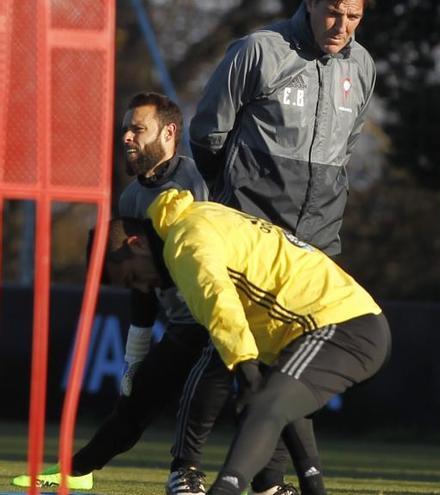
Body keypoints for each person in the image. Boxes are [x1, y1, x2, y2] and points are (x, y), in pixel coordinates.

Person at [11, 93, 316, 495]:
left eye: (137, 128)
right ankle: (77, 470)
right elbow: (140, 285)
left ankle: (236, 480)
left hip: (226, 313)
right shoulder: (132, 197)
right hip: (183, 320)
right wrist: (133, 359)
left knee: (249, 395)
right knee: (138, 402)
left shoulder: (207, 178)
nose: (127, 137)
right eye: (125, 129)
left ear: (170, 132)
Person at [102, 188, 391, 495]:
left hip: (341, 323)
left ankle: (225, 489)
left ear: (138, 243)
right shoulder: (199, 215)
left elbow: (219, 302)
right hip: (343, 321)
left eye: (133, 277)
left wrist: (244, 366)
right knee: (277, 404)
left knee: (265, 403)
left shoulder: (184, 241)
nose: (144, 289)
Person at [189, 0, 374, 257]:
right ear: (311, 3)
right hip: (249, 233)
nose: (342, 27)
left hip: (319, 242)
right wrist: (231, 187)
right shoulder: (258, 50)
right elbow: (207, 133)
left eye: (354, 16)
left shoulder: (362, 65)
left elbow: (346, 148)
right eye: (333, 13)